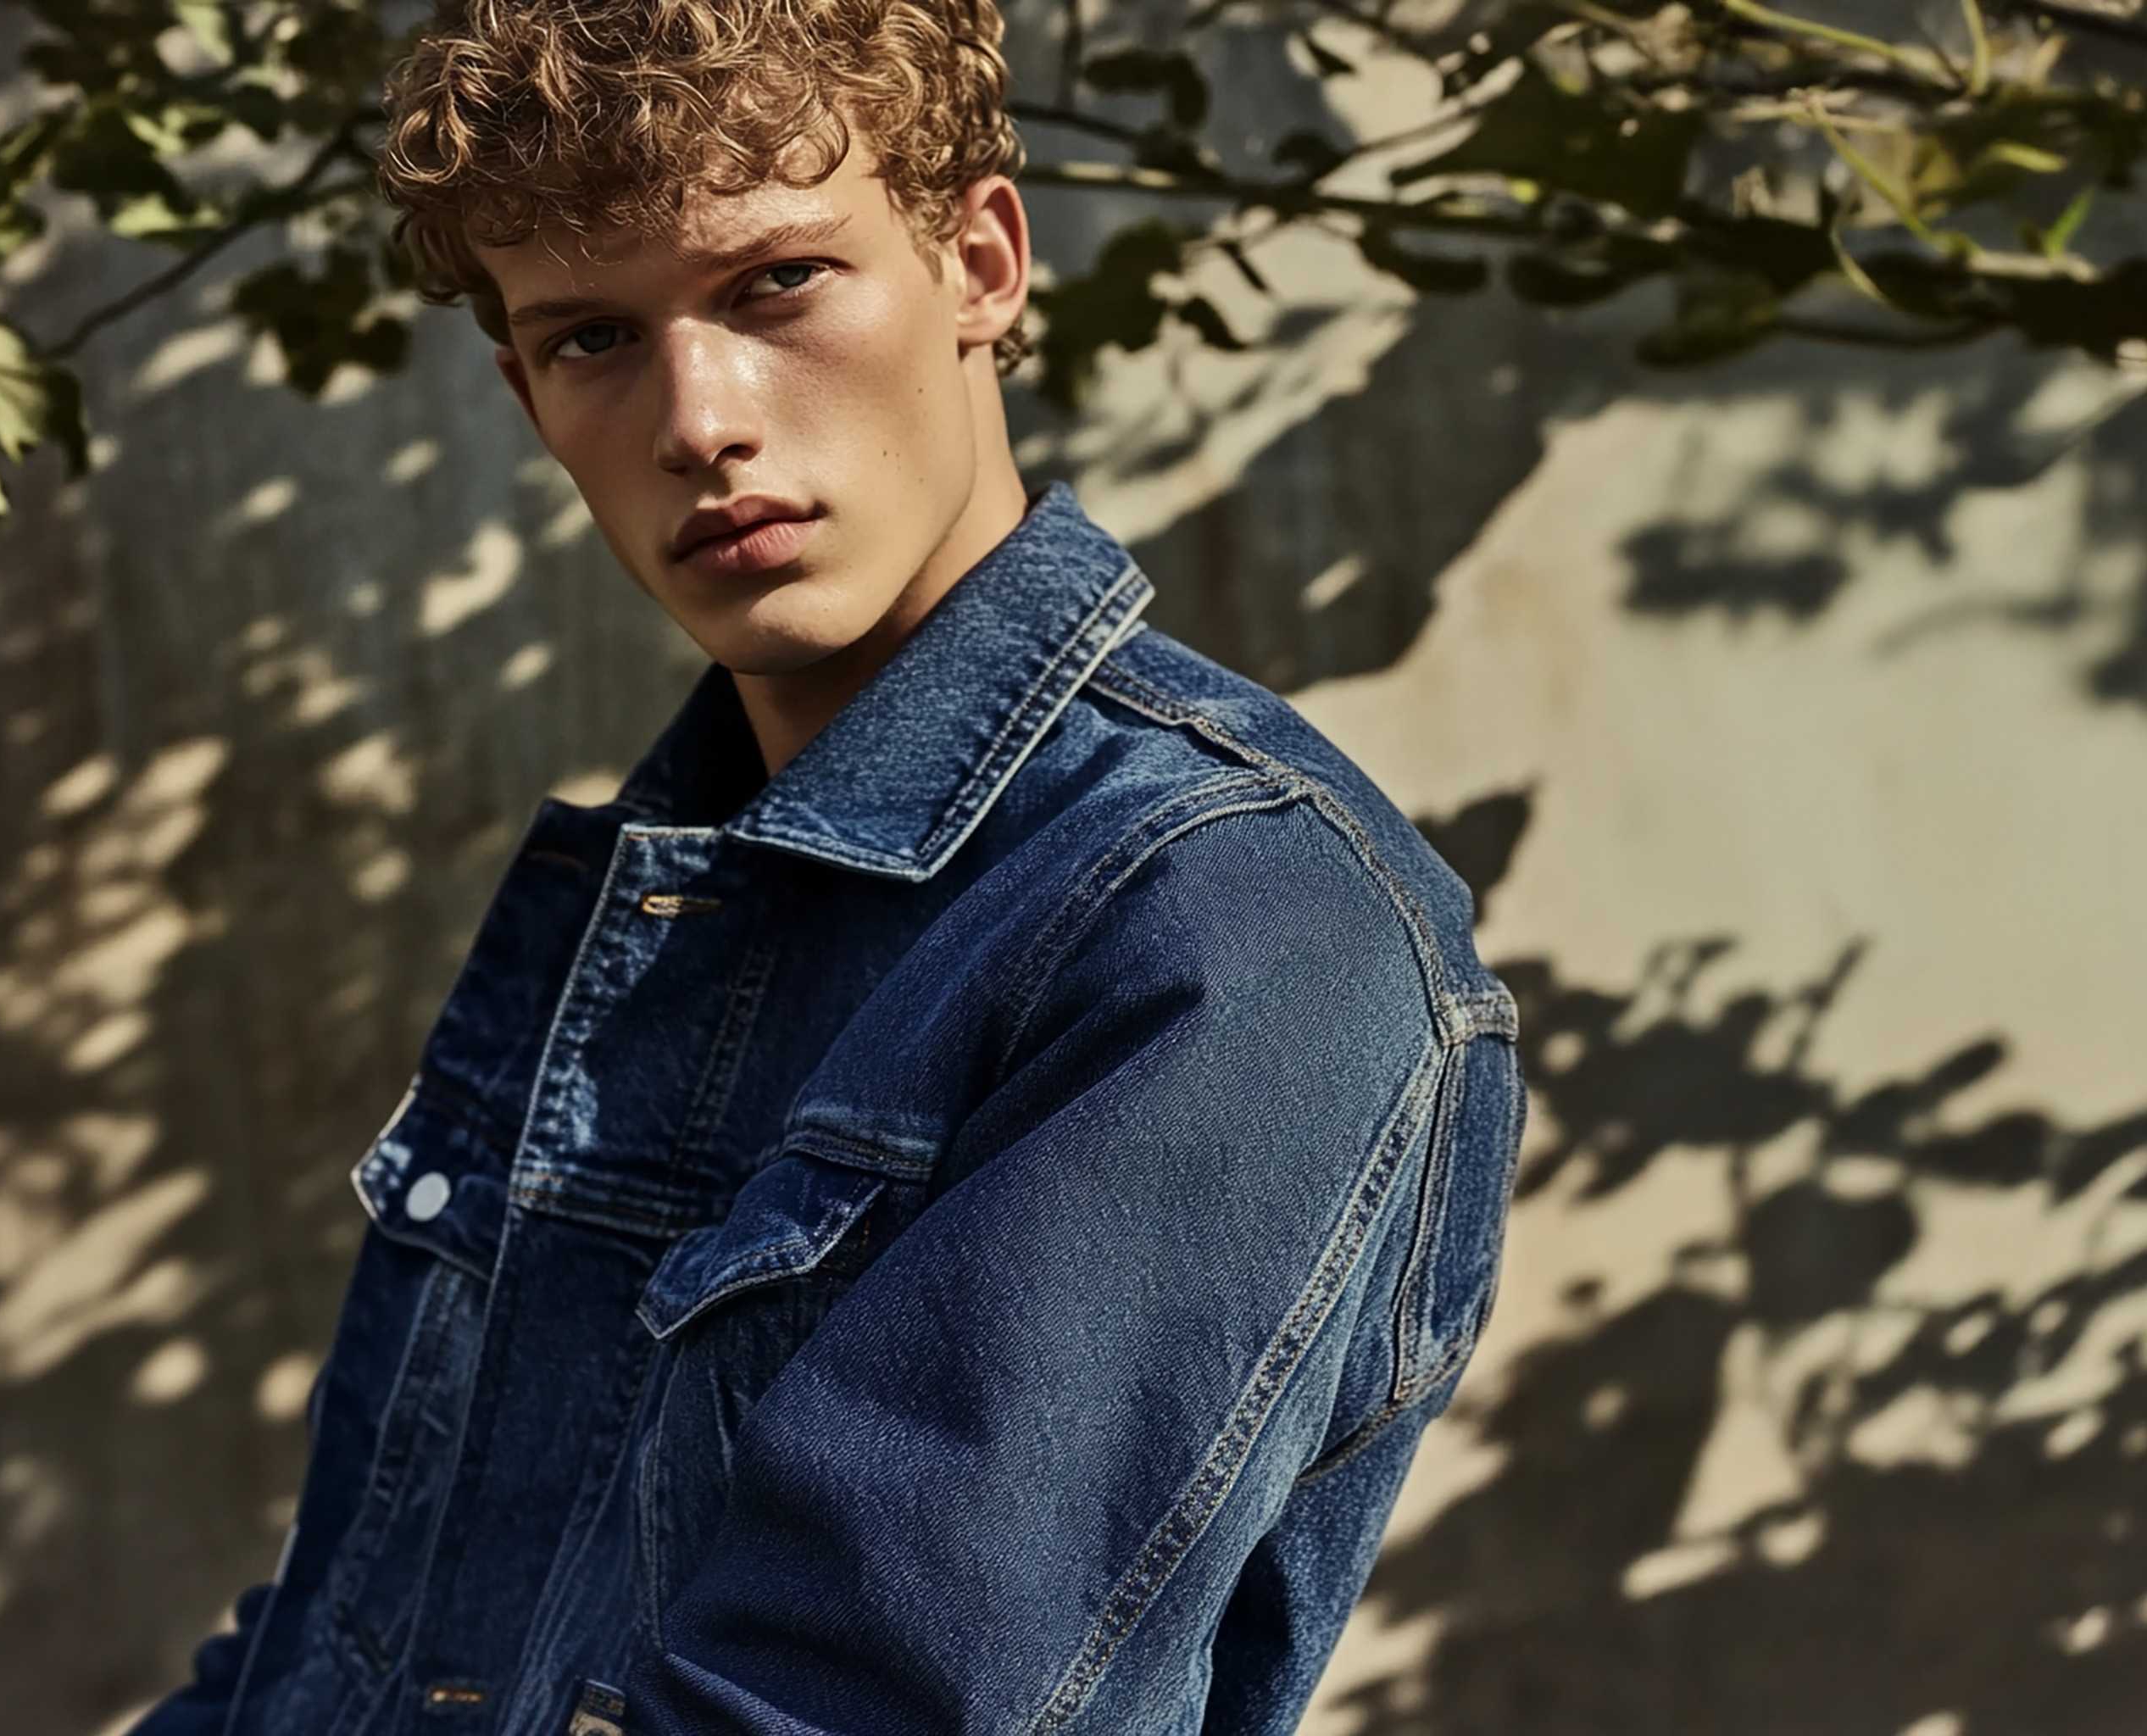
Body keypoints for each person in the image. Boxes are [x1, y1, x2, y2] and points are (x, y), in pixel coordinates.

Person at [125, 0, 1525, 1730]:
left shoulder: (1229, 918)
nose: (696, 420)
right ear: (524, 391)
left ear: (980, 263)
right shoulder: (661, 908)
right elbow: (344, 1638)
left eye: (775, 283)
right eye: (590, 338)